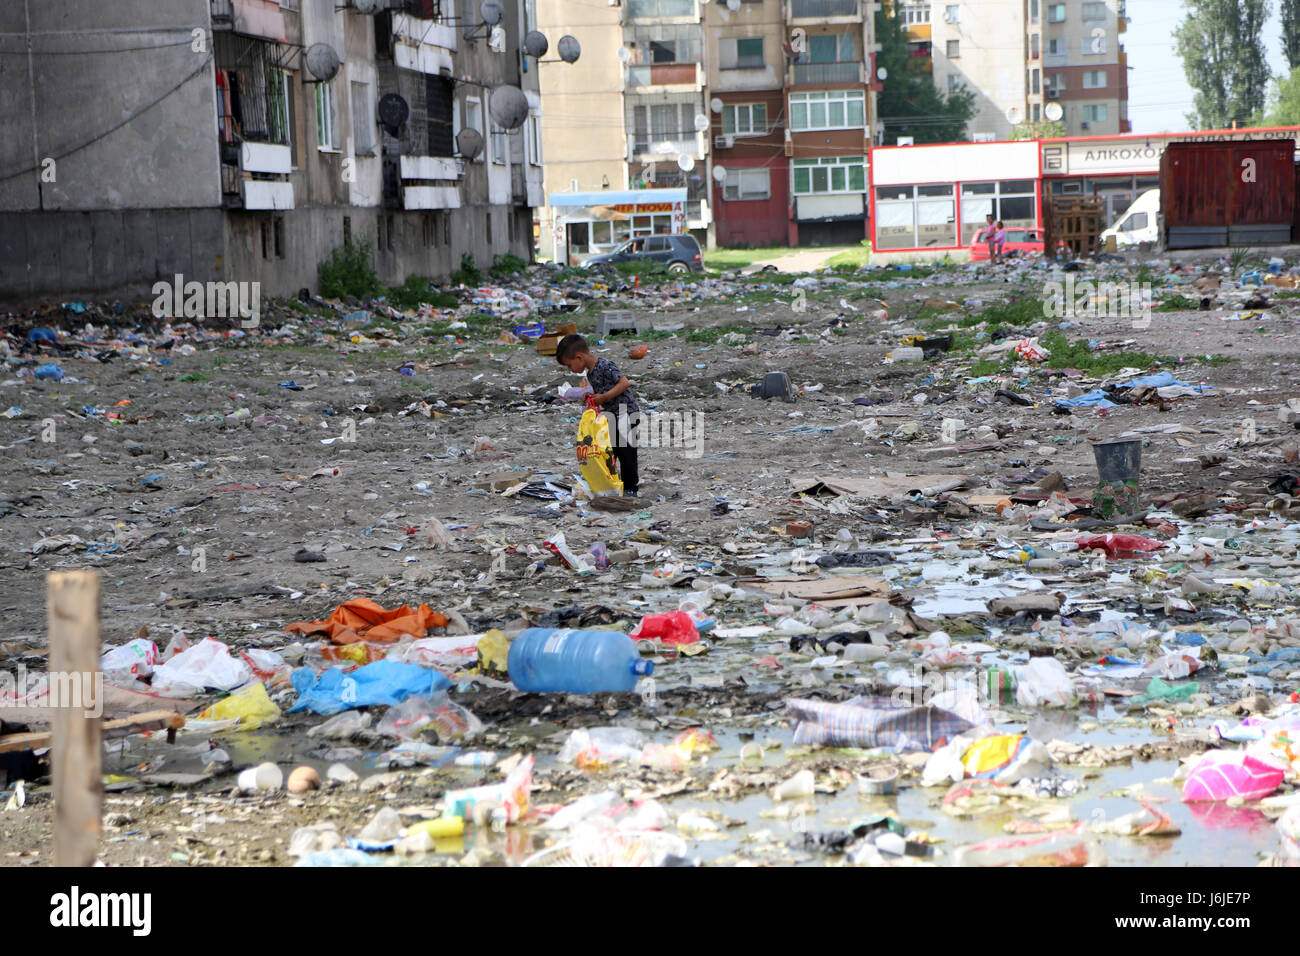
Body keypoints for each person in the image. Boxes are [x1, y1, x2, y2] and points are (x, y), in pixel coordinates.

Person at [556, 334, 640, 496]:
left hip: (626, 413)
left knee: (627, 453)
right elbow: (602, 390)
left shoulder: (605, 365)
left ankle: (631, 488)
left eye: (569, 365)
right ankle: (613, 484)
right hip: (611, 416)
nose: (570, 370)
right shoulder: (591, 373)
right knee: (611, 452)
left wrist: (604, 397)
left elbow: (624, 383)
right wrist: (591, 397)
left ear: (579, 357)